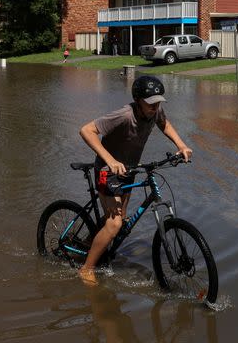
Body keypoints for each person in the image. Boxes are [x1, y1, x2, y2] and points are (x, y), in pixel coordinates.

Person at [77, 75, 193, 286]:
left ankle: (89, 242)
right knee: (115, 224)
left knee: (118, 220)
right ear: (138, 101)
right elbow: (86, 130)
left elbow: (164, 124)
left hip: (129, 170)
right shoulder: (124, 115)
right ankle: (86, 269)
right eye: (150, 104)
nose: (155, 107)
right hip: (108, 170)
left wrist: (181, 146)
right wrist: (110, 160)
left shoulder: (154, 112)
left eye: (158, 103)